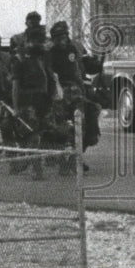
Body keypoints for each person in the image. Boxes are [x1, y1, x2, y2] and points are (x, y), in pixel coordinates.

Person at [49, 20, 102, 165]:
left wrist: (83, 89)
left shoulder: (73, 49)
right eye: (59, 36)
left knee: (83, 121)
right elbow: (51, 76)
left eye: (65, 35)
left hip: (75, 91)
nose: (63, 39)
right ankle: (62, 158)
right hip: (59, 94)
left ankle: (76, 157)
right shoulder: (51, 54)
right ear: (54, 38)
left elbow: (78, 70)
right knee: (62, 128)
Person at [10, 25, 59, 179]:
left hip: (44, 102)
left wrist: (53, 98)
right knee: (33, 136)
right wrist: (16, 107)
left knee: (48, 133)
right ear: (29, 41)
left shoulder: (43, 57)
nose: (41, 44)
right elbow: (15, 86)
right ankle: (36, 170)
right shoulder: (20, 60)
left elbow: (50, 78)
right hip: (28, 102)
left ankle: (24, 163)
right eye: (38, 41)